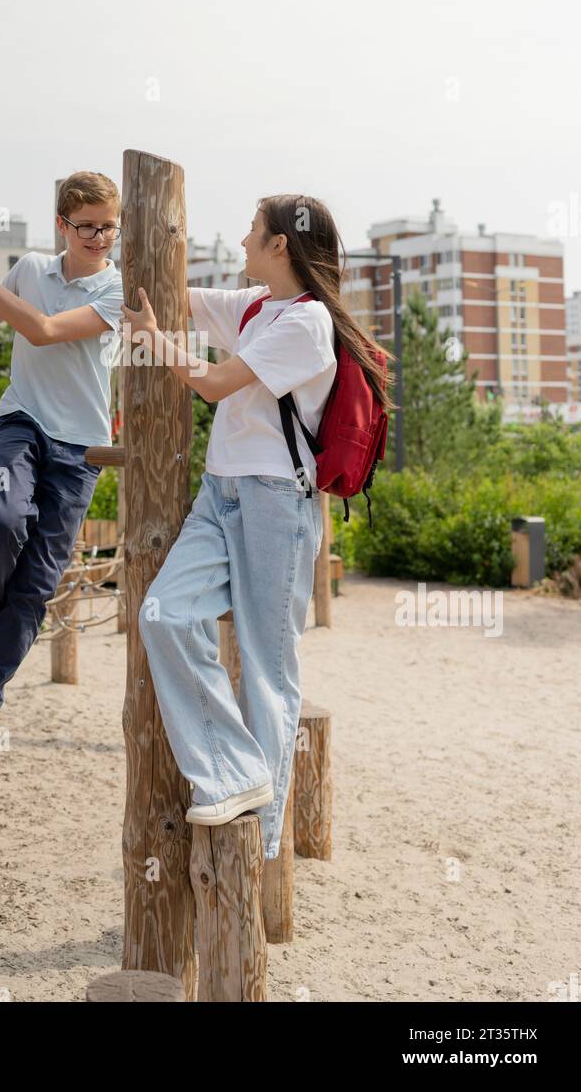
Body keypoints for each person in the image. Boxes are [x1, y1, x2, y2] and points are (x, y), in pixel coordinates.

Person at [120, 194, 391, 859]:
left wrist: (154, 338)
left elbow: (213, 383)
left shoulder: (307, 326)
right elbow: (169, 289)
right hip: (221, 493)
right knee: (164, 616)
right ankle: (236, 772)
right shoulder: (249, 305)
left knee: (268, 670)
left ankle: (260, 843)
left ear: (281, 246)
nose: (241, 241)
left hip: (277, 503)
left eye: (251, 231)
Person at [0, 172, 124, 760]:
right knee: (3, 521)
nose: (98, 237)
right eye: (87, 226)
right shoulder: (30, 270)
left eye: (108, 227)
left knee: (37, 586)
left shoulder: (117, 289)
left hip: (82, 447)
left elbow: (42, 332)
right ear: (61, 225)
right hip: (23, 422)